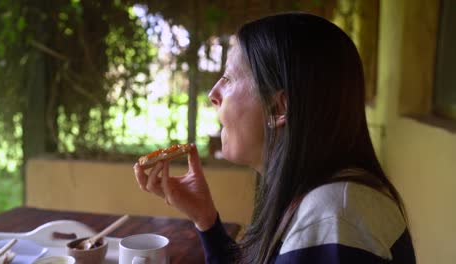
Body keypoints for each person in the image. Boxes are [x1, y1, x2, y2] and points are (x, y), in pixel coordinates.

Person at [133, 12, 416, 264]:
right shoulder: (318, 199)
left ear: (279, 108)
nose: (213, 95)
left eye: (229, 79)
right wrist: (204, 218)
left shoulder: (332, 219)